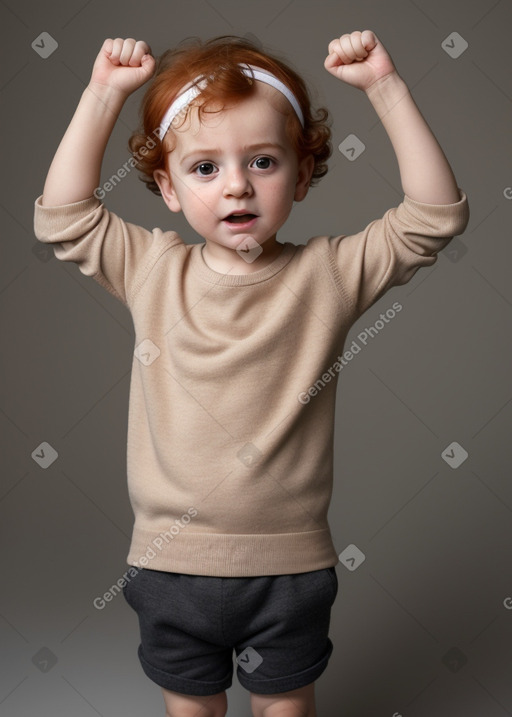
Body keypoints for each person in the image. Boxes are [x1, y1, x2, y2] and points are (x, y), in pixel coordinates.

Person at [33, 31, 469, 717]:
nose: (236, 183)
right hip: (172, 565)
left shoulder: (325, 275)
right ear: (167, 189)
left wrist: (386, 88)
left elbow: (434, 218)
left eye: (262, 160)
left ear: (300, 175)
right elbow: (63, 218)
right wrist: (101, 96)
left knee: (286, 706)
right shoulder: (154, 271)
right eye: (205, 168)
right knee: (192, 709)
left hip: (289, 569)